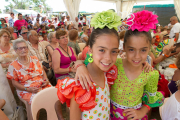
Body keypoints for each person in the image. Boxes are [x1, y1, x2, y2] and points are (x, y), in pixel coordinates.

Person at [73, 10, 164, 120]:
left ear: (150, 49)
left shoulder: (150, 73)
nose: (137, 56)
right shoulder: (114, 65)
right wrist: (79, 65)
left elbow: (150, 100)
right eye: (131, 49)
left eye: (143, 50)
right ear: (124, 47)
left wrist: (142, 112)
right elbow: (89, 62)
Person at [55, 10, 121, 120]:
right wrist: (79, 64)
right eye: (101, 50)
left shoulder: (108, 74)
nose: (108, 58)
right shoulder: (81, 84)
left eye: (114, 51)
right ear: (90, 50)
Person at [7, 38, 51, 120]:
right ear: (16, 50)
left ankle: (54, 116)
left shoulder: (34, 59)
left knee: (52, 93)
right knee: (33, 100)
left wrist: (46, 80)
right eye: (20, 48)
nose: (24, 50)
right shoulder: (13, 65)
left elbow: (42, 72)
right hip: (25, 88)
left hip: (41, 84)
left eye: (25, 47)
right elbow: (15, 84)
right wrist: (28, 89)